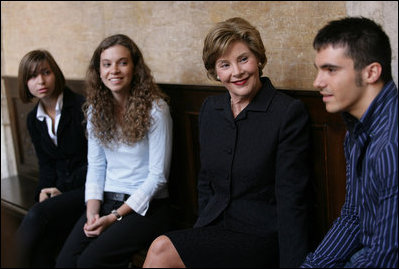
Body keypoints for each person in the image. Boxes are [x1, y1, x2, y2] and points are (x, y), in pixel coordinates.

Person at [143, 17, 311, 268]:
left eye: (243, 59)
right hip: (214, 227)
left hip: (261, 235)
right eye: (225, 64)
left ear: (259, 58)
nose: (237, 72)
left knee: (161, 250)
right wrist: (200, 233)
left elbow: (292, 199)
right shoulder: (211, 109)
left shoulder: (286, 112)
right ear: (215, 72)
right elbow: (205, 181)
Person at [55, 34, 173, 268]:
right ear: (98, 71)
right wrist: (92, 211)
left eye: (123, 62)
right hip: (107, 201)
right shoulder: (95, 112)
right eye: (107, 64)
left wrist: (115, 216)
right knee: (65, 262)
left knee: (90, 263)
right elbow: (97, 166)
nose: (114, 70)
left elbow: (158, 177)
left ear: (135, 67)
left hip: (145, 207)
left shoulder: (157, 110)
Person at [301, 17, 398, 268]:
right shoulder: (356, 132)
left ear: (371, 72)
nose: (317, 82)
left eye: (331, 70)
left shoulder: (391, 144)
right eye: (318, 69)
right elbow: (353, 217)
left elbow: (385, 257)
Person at [15, 49, 88, 267]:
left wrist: (61, 189)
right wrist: (43, 191)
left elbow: (93, 162)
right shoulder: (33, 119)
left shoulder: (81, 107)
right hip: (60, 193)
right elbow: (46, 165)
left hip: (88, 188)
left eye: (45, 72)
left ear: (55, 73)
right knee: (42, 246)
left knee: (37, 215)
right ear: (25, 83)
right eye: (32, 76)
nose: (40, 81)